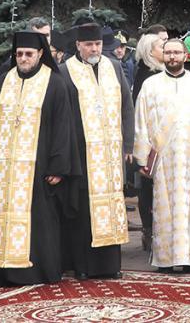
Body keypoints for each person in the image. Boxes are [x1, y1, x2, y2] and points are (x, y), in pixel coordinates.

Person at [0, 31, 76, 288]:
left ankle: (35, 272)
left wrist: (58, 166)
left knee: (38, 219)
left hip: (38, 167)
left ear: (41, 54)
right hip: (1, 170)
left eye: (28, 54)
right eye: (19, 54)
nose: (23, 58)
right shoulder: (2, 82)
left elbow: (63, 128)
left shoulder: (54, 84)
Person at [60, 22, 135, 280]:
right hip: (82, 152)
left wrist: (128, 145)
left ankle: (110, 266)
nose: (94, 49)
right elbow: (63, 116)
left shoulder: (113, 67)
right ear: (78, 45)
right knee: (84, 209)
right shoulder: (65, 70)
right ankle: (83, 266)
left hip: (111, 152)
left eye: (98, 44)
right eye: (89, 44)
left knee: (112, 204)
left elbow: (127, 105)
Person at [134, 37, 190, 273]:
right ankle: (166, 258)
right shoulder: (151, 85)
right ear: (163, 56)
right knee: (164, 207)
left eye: (177, 53)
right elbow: (141, 122)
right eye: (168, 53)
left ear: (185, 56)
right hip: (164, 160)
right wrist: (142, 158)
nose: (172, 57)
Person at [132, 28, 166, 253]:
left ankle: (152, 231)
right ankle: (150, 231)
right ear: (150, 52)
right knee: (149, 188)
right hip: (153, 140)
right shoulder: (149, 77)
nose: (165, 50)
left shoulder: (154, 73)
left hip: (160, 138)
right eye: (161, 47)